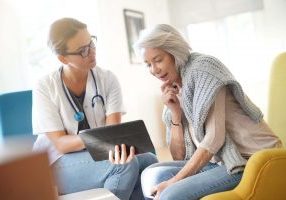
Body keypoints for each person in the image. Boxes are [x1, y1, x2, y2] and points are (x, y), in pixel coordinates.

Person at [133, 24, 282, 200]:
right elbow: (179, 156)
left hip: (248, 159)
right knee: (151, 176)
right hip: (216, 163)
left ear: (174, 52)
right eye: (148, 64)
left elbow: (214, 138)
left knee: (170, 194)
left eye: (158, 60)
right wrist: (175, 114)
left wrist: (175, 181)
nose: (154, 70)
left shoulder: (203, 69)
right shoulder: (173, 87)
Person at [32, 17, 157, 200]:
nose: (91, 52)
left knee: (149, 162)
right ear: (63, 58)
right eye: (83, 50)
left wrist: (111, 142)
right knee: (123, 166)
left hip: (95, 155)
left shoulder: (107, 79)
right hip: (56, 163)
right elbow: (61, 144)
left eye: (91, 43)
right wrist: (99, 139)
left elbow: (112, 134)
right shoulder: (45, 86)